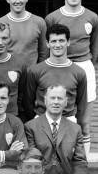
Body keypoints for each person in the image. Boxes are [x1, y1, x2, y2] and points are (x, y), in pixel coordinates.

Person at [25, 84, 93, 174]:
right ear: (45, 100)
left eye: (60, 98)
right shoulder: (31, 126)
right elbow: (30, 159)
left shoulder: (75, 129)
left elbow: (80, 160)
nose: (56, 101)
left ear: (66, 102)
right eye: (52, 98)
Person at [24, 24, 89, 152]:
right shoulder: (35, 71)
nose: (57, 45)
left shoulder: (79, 72)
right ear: (47, 43)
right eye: (53, 41)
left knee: (67, 165)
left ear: (68, 42)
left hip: (68, 121)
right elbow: (28, 102)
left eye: (61, 41)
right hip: (41, 121)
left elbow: (81, 106)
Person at [45, 0, 98, 132]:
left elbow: (95, 46)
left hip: (84, 66)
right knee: (58, 111)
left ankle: (82, 155)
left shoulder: (93, 17)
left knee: (84, 119)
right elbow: (47, 46)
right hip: (59, 66)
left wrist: (89, 65)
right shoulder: (52, 18)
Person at [0, 0, 48, 65]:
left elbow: (44, 52)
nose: (17, 1)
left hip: (31, 75)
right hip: (6, 74)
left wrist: (38, 72)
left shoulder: (39, 22)